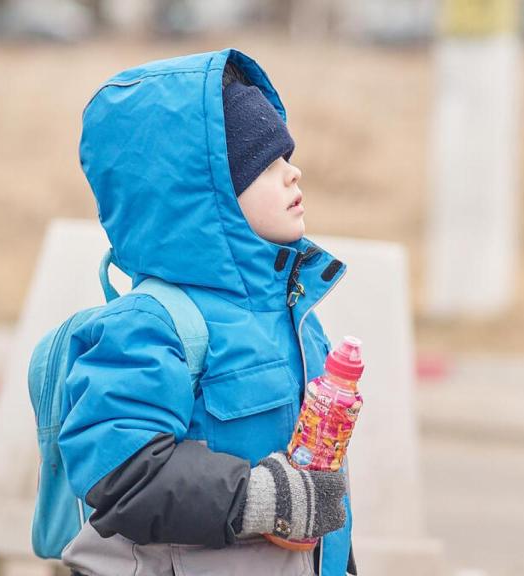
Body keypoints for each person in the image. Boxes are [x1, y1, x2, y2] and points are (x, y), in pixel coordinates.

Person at [57, 49, 356, 576]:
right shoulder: (150, 325)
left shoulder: (292, 310)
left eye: (287, 157)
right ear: (203, 198)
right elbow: (123, 474)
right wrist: (262, 499)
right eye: (266, 165)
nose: (293, 174)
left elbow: (319, 488)